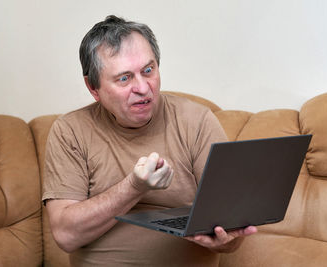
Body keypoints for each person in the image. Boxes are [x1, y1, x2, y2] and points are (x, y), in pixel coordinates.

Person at [43, 15, 257, 266]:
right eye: (124, 78)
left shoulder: (196, 121)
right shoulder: (70, 131)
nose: (143, 88)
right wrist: (134, 187)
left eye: (148, 70)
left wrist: (228, 240)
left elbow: (230, 230)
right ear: (94, 88)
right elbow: (66, 235)